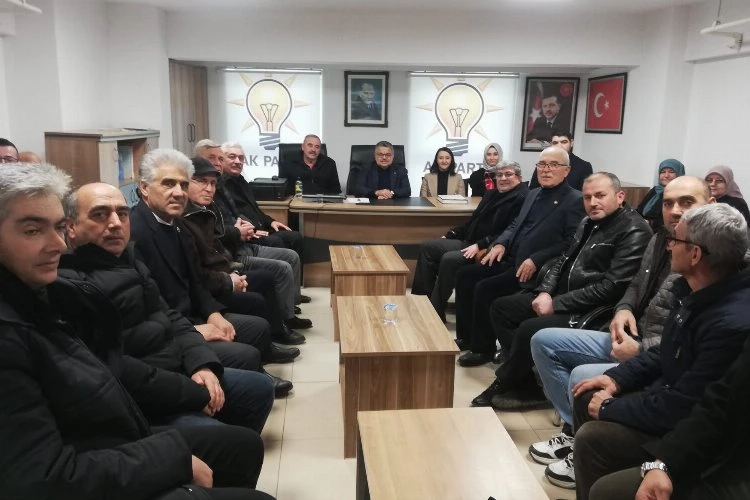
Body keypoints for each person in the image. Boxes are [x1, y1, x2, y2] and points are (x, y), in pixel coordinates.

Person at [0, 162, 274, 500]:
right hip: (118, 432)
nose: (55, 244)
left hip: (128, 415)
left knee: (247, 427)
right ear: (75, 228)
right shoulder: (61, 292)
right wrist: (183, 420)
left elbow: (168, 313)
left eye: (55, 228)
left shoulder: (94, 270)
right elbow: (42, 475)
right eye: (32, 230)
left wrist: (201, 362)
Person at [528, 176, 715, 489]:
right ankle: (573, 430)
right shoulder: (660, 238)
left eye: (687, 202)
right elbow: (635, 284)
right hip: (629, 333)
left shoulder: (709, 259)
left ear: (710, 205)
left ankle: (581, 441)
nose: (675, 210)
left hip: (652, 351)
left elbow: (684, 337)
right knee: (542, 340)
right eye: (668, 203)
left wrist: (640, 350)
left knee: (582, 378)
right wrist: (623, 310)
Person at [571, 203, 750, 500]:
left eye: (675, 240)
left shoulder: (731, 323)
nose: (668, 246)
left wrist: (609, 408)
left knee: (595, 441)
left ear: (695, 254)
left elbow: (688, 407)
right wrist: (617, 378)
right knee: (587, 394)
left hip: (690, 429)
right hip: (670, 399)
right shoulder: (692, 288)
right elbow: (666, 351)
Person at [62, 182, 279, 425]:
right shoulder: (76, 283)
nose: (115, 223)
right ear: (70, 227)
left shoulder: (133, 254)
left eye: (122, 214)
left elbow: (173, 307)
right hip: (143, 392)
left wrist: (201, 363)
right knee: (240, 432)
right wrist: (194, 391)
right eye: (100, 214)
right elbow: (118, 366)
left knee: (257, 385)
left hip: (174, 352)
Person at [471, 173, 651, 409]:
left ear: (619, 196)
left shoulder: (634, 230)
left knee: (529, 328)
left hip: (594, 310)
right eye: (587, 197)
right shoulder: (588, 222)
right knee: (502, 308)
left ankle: (504, 382)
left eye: (600, 196)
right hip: (564, 296)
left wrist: (556, 304)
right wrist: (545, 291)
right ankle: (527, 383)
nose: (593, 202)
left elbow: (612, 288)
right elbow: (563, 260)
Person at [129, 148, 291, 398]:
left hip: (192, 315)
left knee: (257, 327)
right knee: (246, 353)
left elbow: (195, 281)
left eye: (183, 185)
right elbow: (151, 306)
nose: (178, 192)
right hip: (174, 328)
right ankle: (247, 387)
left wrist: (213, 314)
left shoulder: (176, 223)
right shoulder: (134, 234)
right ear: (144, 188)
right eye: (168, 184)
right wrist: (193, 330)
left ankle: (256, 375)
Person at [453, 147, 585, 357]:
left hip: (532, 268)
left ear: (566, 170)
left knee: (485, 288)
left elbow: (571, 242)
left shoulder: (575, 200)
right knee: (465, 275)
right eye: (542, 164)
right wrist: (501, 243)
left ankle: (482, 349)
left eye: (553, 165)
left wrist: (536, 259)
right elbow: (515, 225)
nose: (546, 169)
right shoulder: (533, 194)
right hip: (510, 256)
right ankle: (466, 338)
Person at [589, 333, 750, 500]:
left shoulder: (730, 325)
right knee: (590, 406)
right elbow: (718, 404)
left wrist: (639, 348)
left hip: (724, 462)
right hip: (713, 447)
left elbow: (679, 406)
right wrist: (665, 463)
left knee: (607, 483)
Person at [182, 155, 304, 360]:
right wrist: (229, 278)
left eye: (212, 183)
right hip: (221, 273)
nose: (209, 188)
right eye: (202, 181)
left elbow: (220, 245)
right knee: (261, 289)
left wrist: (232, 271)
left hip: (229, 263)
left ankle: (280, 325)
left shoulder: (211, 204)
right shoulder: (186, 217)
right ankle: (269, 341)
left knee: (280, 258)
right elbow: (201, 267)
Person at [411, 161, 527, 321]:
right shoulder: (491, 194)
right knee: (427, 247)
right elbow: (473, 222)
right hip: (469, 242)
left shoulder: (522, 198)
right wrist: (452, 233)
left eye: (508, 174)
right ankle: (421, 303)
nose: (502, 178)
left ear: (519, 177)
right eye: (499, 175)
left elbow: (509, 232)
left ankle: (435, 312)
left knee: (450, 259)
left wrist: (480, 245)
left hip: (488, 248)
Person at [215, 142, 305, 255]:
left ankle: (295, 268)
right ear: (221, 160)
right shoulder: (219, 186)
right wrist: (253, 231)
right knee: (275, 241)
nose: (238, 161)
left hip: (261, 228)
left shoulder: (242, 181)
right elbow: (232, 216)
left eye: (241, 158)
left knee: (295, 237)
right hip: (246, 234)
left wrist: (271, 221)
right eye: (232, 157)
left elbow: (255, 210)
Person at [637, 159, 685, 231]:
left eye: (671, 172)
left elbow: (676, 220)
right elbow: (640, 209)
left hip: (661, 232)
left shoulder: (680, 194)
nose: (666, 175)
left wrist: (649, 222)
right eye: (663, 172)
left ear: (679, 174)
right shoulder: (655, 190)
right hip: (642, 228)